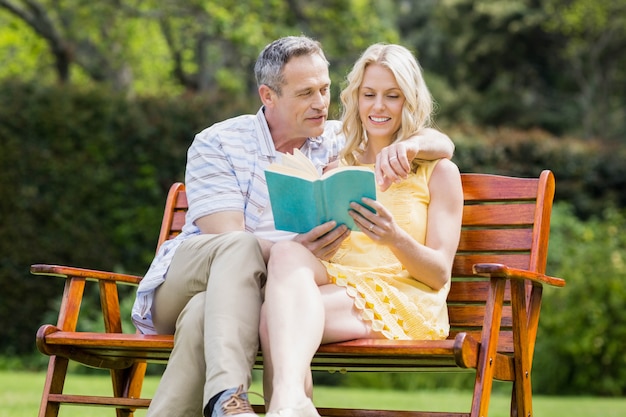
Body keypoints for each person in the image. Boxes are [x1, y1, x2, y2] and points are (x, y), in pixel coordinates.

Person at [131, 36, 454, 417]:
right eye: (306, 93)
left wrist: (414, 145)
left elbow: (435, 141)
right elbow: (226, 240)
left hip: (266, 292)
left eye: (324, 89)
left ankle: (273, 406)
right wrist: (301, 249)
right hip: (192, 276)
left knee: (208, 313)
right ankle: (230, 399)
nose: (320, 103)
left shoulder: (336, 141)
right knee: (241, 248)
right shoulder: (219, 142)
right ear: (268, 96)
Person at [258, 43, 464, 417]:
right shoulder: (339, 167)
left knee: (274, 318)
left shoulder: (438, 172)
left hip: (405, 296)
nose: (378, 107)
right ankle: (294, 405)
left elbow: (438, 275)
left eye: (392, 96)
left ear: (410, 100)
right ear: (356, 98)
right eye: (369, 95)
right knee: (288, 253)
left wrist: (394, 237)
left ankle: (288, 405)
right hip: (341, 284)